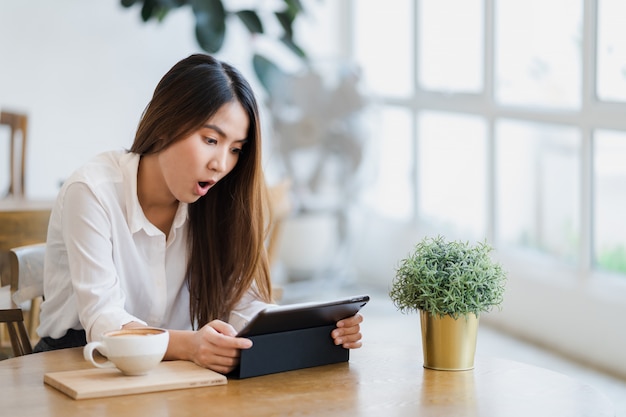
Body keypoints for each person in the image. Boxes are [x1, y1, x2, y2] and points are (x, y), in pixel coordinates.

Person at [34, 53, 363, 374]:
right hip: (80, 363)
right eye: (210, 139)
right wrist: (190, 345)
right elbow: (104, 320)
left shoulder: (217, 202)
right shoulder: (91, 191)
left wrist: (317, 330)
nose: (221, 164)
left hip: (170, 369)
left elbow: (244, 306)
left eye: (235, 149)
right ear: (166, 124)